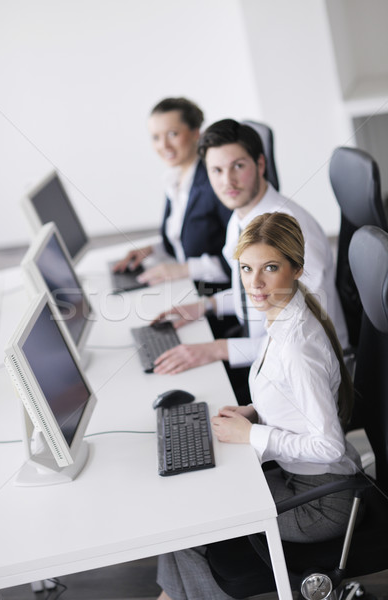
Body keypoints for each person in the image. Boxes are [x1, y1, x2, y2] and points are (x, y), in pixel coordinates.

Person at [155, 212, 362, 600]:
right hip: (301, 479)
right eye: (247, 268)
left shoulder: (298, 345)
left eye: (270, 268)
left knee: (187, 522)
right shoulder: (283, 316)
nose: (255, 282)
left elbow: (329, 446)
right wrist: (252, 411)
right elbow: (290, 399)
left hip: (321, 502)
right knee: (185, 510)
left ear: (297, 267)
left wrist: (252, 434)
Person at [152, 119, 348, 388]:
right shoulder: (241, 218)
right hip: (264, 354)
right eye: (216, 170)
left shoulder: (289, 231)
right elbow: (256, 293)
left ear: (260, 165)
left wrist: (217, 349)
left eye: (238, 167)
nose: (227, 181)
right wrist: (206, 306)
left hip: (303, 378)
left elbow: (307, 340)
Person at [113, 98, 232, 291]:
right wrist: (152, 250)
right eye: (156, 137)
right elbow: (179, 239)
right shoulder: (175, 179)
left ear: (196, 133)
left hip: (217, 295)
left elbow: (241, 260)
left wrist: (183, 270)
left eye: (172, 134)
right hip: (188, 287)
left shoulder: (216, 182)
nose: (164, 145)